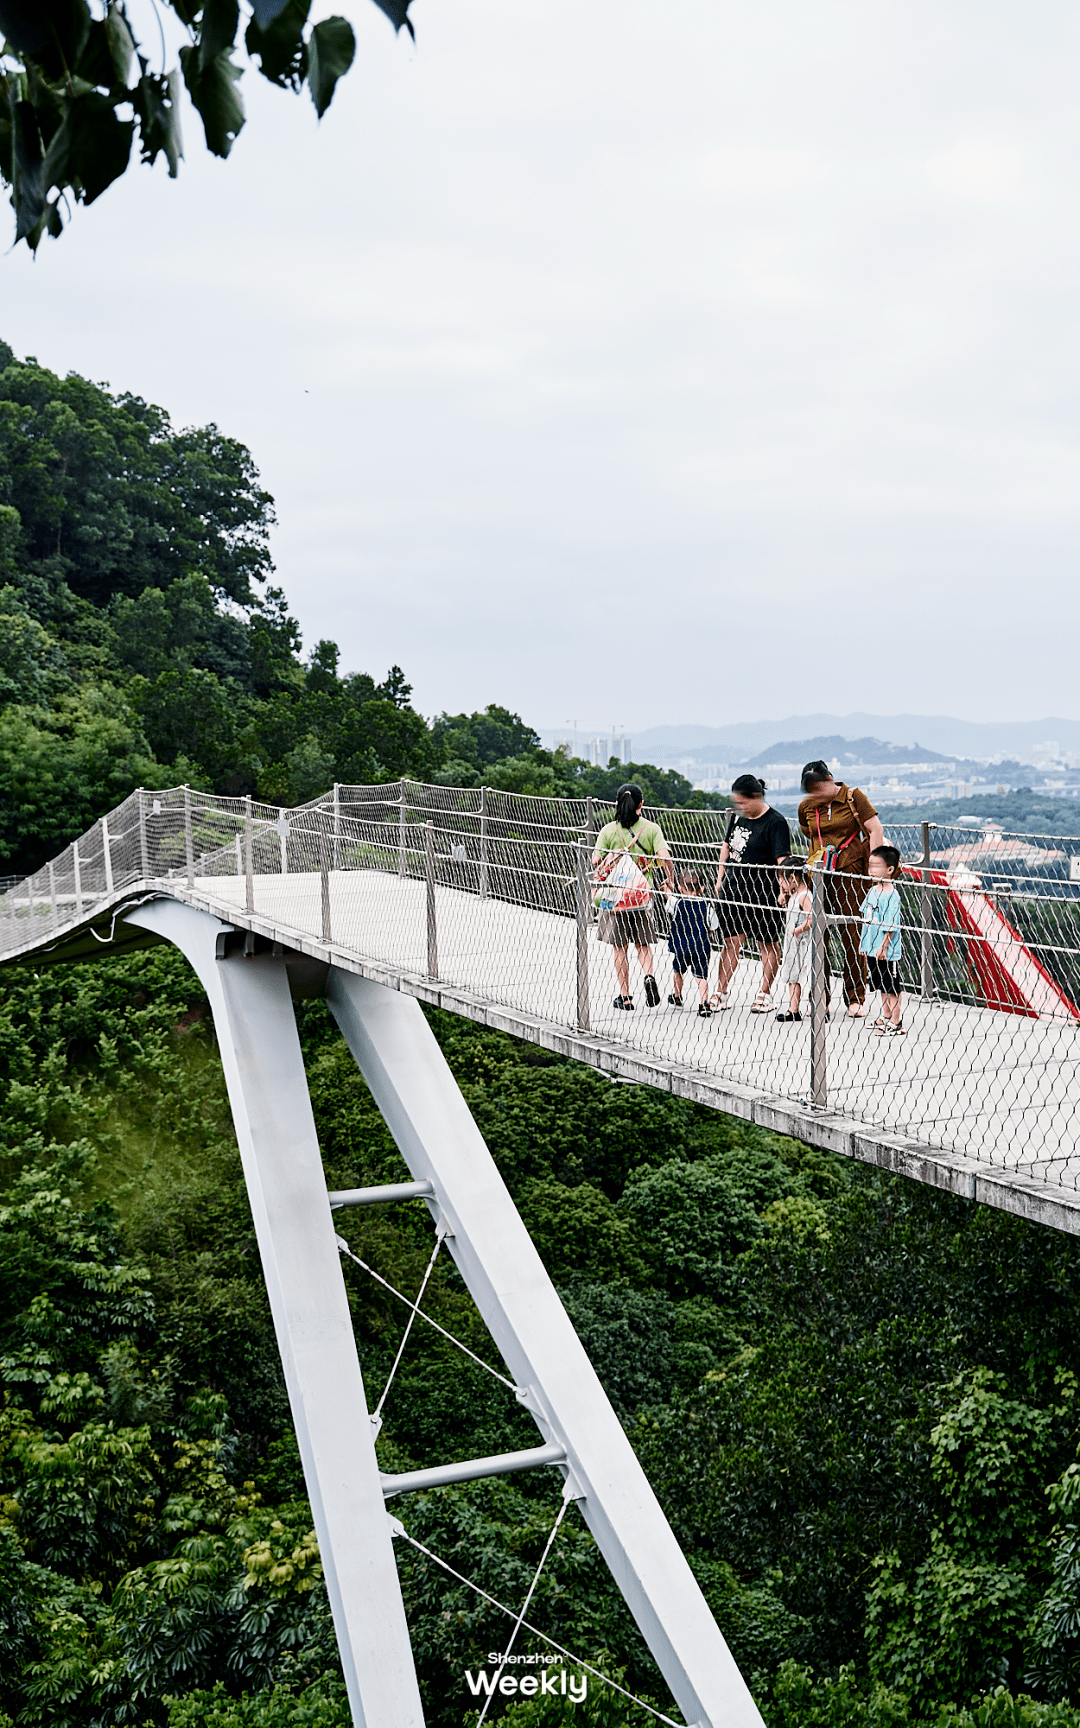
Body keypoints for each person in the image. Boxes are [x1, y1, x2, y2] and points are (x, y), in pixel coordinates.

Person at [797, 761, 886, 1017]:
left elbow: (875, 829)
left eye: (819, 787)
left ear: (831, 778)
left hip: (852, 875)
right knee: (818, 936)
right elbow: (809, 834)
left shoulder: (852, 798)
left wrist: (874, 869)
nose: (816, 793)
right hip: (819, 877)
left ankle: (855, 997)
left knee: (852, 934)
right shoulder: (806, 807)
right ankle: (821, 996)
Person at [711, 775, 791, 1012]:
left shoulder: (775, 822)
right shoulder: (737, 818)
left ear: (757, 797)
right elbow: (727, 846)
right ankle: (721, 992)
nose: (740, 808)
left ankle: (764, 994)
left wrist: (784, 890)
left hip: (763, 892)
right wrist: (720, 878)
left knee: (766, 943)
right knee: (730, 942)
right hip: (733, 889)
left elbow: (782, 860)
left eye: (744, 802)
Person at [592, 783, 673, 1011]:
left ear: (616, 803)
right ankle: (648, 976)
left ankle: (625, 997)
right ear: (641, 804)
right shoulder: (651, 829)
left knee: (619, 947)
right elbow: (665, 857)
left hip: (616, 899)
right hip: (641, 897)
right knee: (643, 944)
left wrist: (612, 858)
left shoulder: (608, 830)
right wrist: (670, 880)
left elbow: (595, 861)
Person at [861, 844, 904, 1036]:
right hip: (872, 948)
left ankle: (896, 1022)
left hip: (887, 951)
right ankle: (885, 1016)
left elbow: (892, 925)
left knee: (892, 985)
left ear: (890, 869)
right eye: (870, 866)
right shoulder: (872, 891)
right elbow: (865, 918)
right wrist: (864, 944)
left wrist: (884, 947)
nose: (872, 870)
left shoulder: (892, 896)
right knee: (880, 984)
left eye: (877, 866)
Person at [666, 867, 717, 1016]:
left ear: (680, 888)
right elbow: (713, 926)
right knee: (701, 976)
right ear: (702, 887)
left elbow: (669, 901)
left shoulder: (677, 904)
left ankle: (676, 996)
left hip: (681, 947)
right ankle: (704, 1004)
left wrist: (666, 890)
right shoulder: (706, 907)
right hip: (700, 947)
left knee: (678, 971)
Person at [775, 858, 812, 1022]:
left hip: (803, 943)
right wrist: (784, 896)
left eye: (781, 880)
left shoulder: (804, 896)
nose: (780, 884)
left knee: (809, 977)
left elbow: (811, 919)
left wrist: (798, 930)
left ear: (792, 878)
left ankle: (818, 1007)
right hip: (792, 945)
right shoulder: (794, 895)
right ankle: (793, 1009)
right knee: (792, 976)